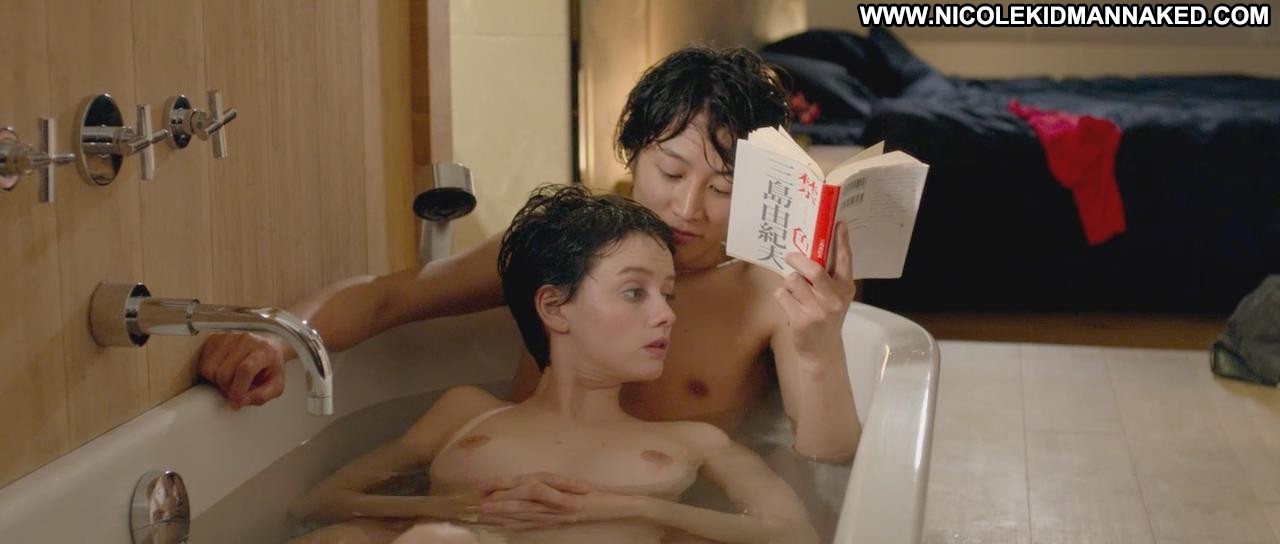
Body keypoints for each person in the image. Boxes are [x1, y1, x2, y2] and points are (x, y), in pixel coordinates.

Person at [199, 45, 859, 477]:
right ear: (632, 153)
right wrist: (277, 340)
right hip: (499, 495)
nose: (687, 208)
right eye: (671, 171)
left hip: (650, 519)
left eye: (723, 188)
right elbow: (386, 298)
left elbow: (827, 455)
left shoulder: (767, 292)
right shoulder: (566, 242)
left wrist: (820, 342)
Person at [288, 185, 818, 544]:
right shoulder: (466, 414)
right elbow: (320, 502)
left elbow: (794, 533)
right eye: (635, 292)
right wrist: (456, 510)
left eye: (668, 294)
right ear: (554, 307)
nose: (666, 315)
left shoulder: (693, 443)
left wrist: (636, 508)